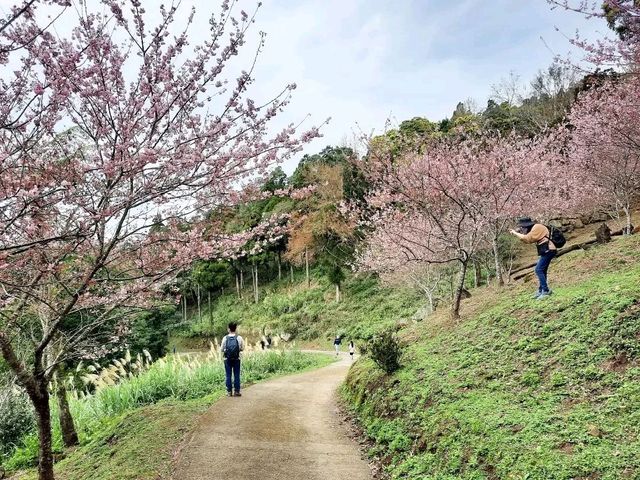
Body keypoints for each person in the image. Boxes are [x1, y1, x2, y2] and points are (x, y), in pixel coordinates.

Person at [510, 217, 557, 299]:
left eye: (522, 227)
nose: (522, 229)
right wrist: (518, 233)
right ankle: (541, 290)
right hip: (546, 250)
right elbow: (527, 240)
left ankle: (545, 291)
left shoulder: (537, 227)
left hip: (549, 250)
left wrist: (515, 233)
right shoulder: (534, 228)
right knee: (542, 270)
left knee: (538, 270)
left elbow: (527, 238)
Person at [220, 322, 245, 396]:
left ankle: (229, 392)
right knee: (236, 375)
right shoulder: (239, 338)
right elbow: (242, 348)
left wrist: (226, 350)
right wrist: (237, 350)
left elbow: (221, 349)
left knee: (228, 375)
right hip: (237, 359)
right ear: (235, 329)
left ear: (228, 329)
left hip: (227, 359)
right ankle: (237, 391)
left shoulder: (225, 338)